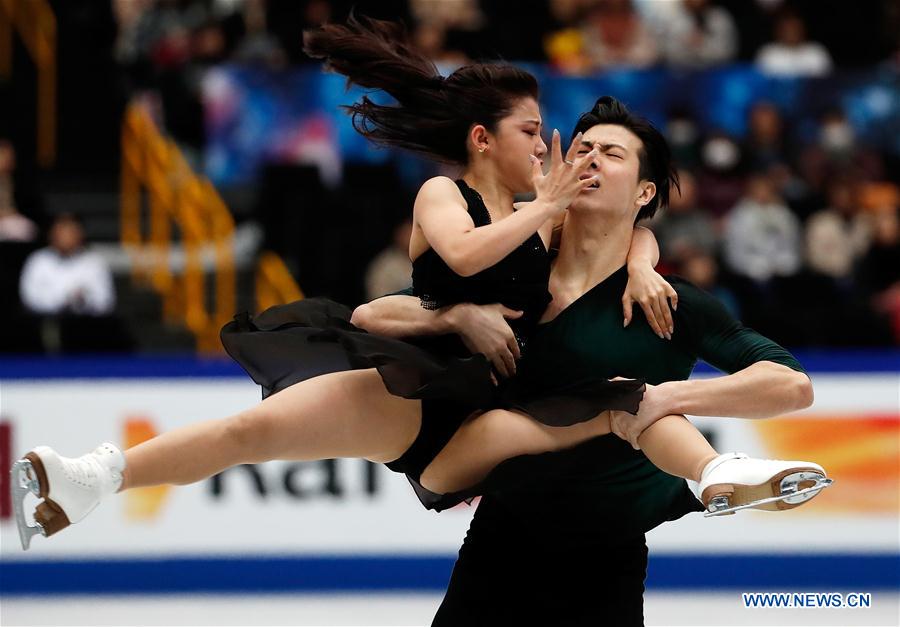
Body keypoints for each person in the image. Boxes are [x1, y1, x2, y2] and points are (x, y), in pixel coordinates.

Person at [10, 16, 669, 548]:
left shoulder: (541, 216)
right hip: (417, 391)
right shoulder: (446, 195)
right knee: (249, 433)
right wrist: (543, 217)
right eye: (529, 130)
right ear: (481, 139)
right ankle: (94, 475)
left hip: (511, 407)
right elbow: (466, 258)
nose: (542, 145)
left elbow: (626, 224)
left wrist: (640, 262)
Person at [356, 97, 826, 625]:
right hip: (500, 544)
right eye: (582, 149)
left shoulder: (669, 302)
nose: (592, 159)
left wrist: (658, 398)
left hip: (609, 559)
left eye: (612, 153)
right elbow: (373, 315)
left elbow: (791, 384)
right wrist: (456, 317)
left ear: (645, 191)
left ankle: (718, 470)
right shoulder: (511, 275)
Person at [19, 213, 115, 316]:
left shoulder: (95, 263)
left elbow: (105, 300)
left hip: (87, 323)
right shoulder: (38, 260)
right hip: (46, 322)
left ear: (80, 235)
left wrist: (82, 300)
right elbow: (29, 298)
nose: (65, 237)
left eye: (70, 232)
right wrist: (63, 301)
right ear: (51, 234)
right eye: (61, 232)